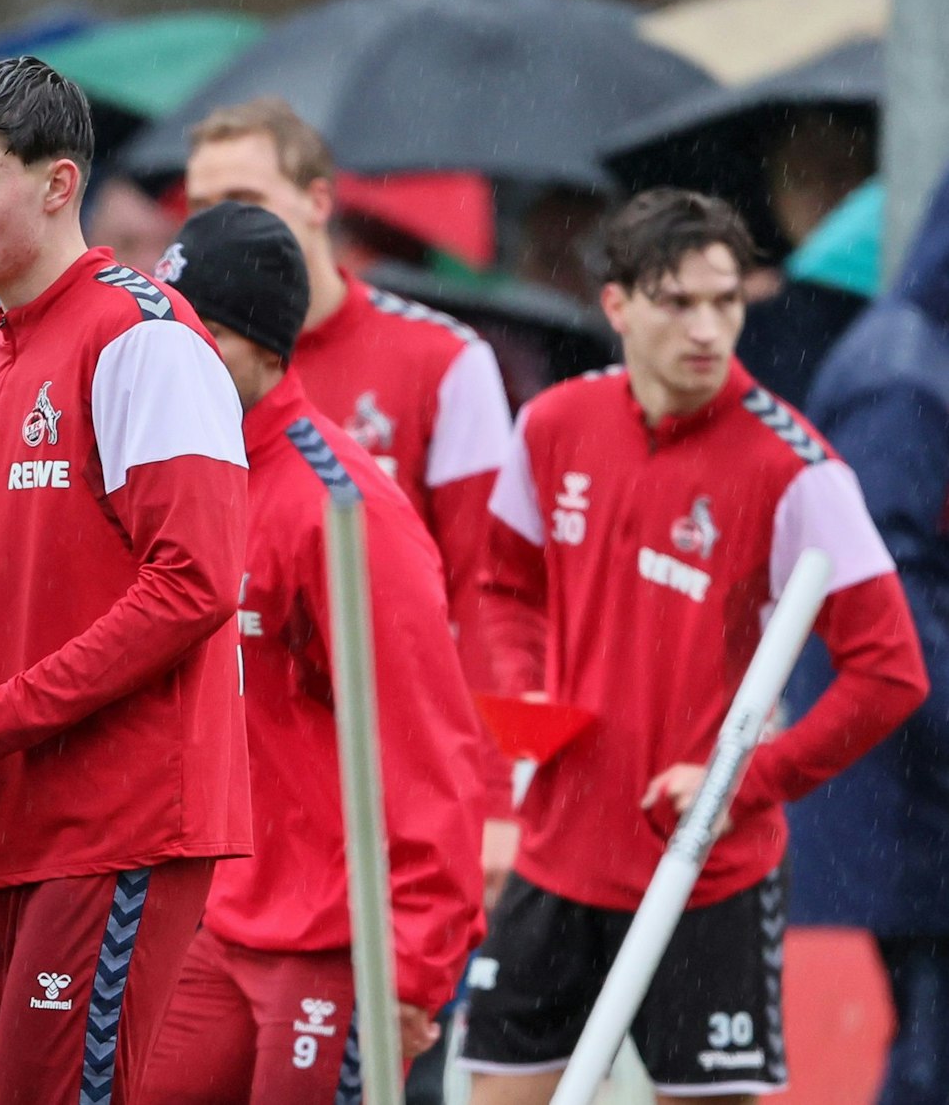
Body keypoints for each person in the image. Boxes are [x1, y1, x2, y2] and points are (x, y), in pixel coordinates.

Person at [460, 188, 929, 1105]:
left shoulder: (799, 470)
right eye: (678, 303)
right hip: (556, 863)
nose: (708, 329)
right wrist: (527, 702)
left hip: (704, 875)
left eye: (726, 301)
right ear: (617, 305)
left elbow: (891, 673)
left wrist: (742, 783)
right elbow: (504, 587)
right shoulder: (552, 425)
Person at [0, 57, 251, 1103]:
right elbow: (21, 611)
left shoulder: (146, 340)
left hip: (115, 829)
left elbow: (196, 584)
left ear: (60, 184)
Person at [139, 201, 489, 1102]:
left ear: (266, 347)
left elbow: (429, 749)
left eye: (203, 336)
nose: (174, 361)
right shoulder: (174, 479)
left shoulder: (342, 510)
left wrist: (414, 964)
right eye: (163, 333)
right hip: (214, 919)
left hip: (335, 940)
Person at [183, 98, 520, 905]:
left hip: (378, 794)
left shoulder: (444, 360)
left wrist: (494, 798)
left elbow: (486, 597)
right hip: (223, 808)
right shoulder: (177, 359)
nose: (221, 224)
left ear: (319, 202)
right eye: (199, 207)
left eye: (246, 199)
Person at [784, 168, 949, 1105]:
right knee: (930, 1058)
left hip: (910, 786)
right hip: (911, 793)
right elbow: (885, 593)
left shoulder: (914, 354)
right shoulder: (904, 371)